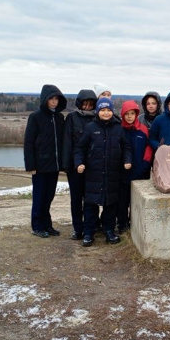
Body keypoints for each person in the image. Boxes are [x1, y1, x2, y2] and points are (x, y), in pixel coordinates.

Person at [74, 98, 132, 246]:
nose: (106, 113)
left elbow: (126, 147)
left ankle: (109, 231)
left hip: (112, 173)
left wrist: (127, 160)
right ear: (98, 111)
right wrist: (79, 163)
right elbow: (80, 148)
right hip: (93, 173)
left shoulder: (118, 128)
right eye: (103, 110)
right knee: (91, 204)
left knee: (110, 205)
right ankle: (88, 233)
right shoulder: (90, 127)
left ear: (112, 112)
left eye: (108, 110)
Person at [23, 84, 67, 238]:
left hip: (54, 166)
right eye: (51, 99)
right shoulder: (36, 117)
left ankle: (47, 225)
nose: (54, 102)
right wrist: (31, 165)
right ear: (45, 99)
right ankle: (37, 226)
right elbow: (29, 142)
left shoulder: (59, 117)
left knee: (49, 197)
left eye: (56, 99)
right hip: (40, 165)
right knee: (39, 197)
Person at [61, 88, 97, 240]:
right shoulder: (72, 118)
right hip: (75, 167)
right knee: (76, 199)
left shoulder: (97, 119)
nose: (87, 107)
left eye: (90, 104)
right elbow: (67, 142)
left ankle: (91, 227)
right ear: (79, 104)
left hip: (92, 167)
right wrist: (67, 165)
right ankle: (78, 229)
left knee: (91, 199)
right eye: (85, 104)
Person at [117, 100, 153, 234]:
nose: (129, 116)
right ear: (122, 115)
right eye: (126, 114)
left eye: (132, 113)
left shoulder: (143, 129)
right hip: (123, 172)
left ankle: (136, 225)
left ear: (136, 114)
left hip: (140, 172)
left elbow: (148, 148)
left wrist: (145, 164)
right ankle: (122, 225)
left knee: (137, 201)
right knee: (122, 201)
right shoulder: (118, 129)